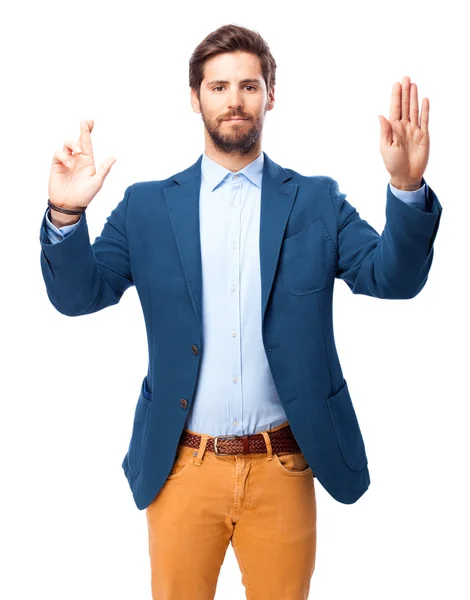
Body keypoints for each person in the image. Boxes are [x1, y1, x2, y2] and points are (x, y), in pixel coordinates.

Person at [39, 23, 442, 600]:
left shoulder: (317, 201)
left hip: (284, 467)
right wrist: (64, 215)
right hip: (180, 469)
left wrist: (406, 187)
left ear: (270, 95)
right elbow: (78, 296)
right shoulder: (147, 207)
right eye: (219, 86)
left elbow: (393, 278)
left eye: (249, 86)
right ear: (195, 98)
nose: (234, 100)